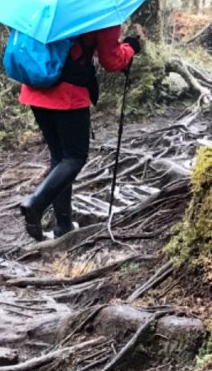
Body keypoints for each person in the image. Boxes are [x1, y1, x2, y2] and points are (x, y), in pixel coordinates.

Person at [19, 26, 142, 240]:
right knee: (75, 157)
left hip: (35, 88)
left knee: (60, 158)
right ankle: (35, 204)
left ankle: (64, 225)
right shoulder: (100, 13)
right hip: (68, 94)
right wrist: (131, 47)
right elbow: (111, 61)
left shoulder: (46, 7)